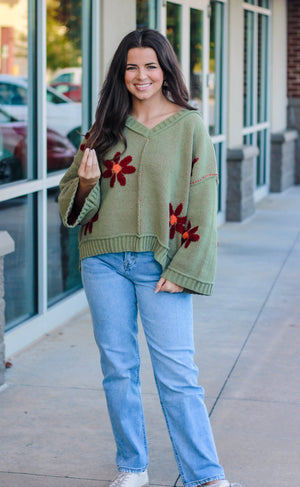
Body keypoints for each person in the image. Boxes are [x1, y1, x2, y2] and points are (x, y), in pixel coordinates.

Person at [59, 29, 242, 487]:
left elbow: (202, 203)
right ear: (121, 74)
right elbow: (76, 204)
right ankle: (132, 468)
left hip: (161, 265)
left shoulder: (190, 126)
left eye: (150, 66)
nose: (141, 76)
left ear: (166, 71)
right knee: (118, 369)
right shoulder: (102, 129)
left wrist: (186, 269)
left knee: (178, 374)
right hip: (102, 262)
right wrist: (85, 182)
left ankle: (204, 475)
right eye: (131, 67)